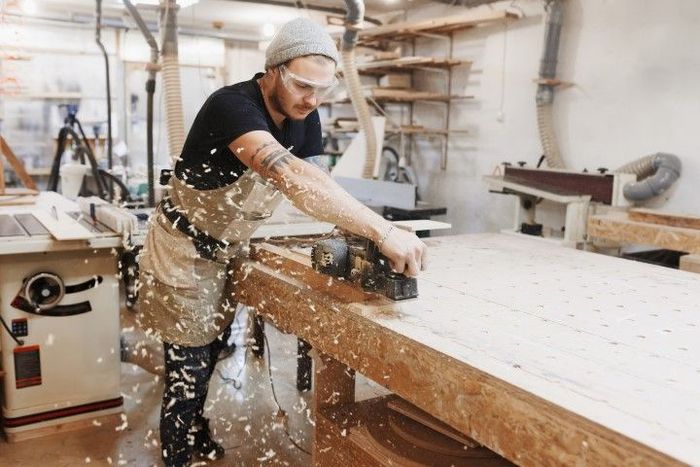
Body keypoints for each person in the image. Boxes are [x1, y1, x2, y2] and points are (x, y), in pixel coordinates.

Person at [137, 17, 427, 467]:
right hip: (183, 250)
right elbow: (291, 177)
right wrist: (382, 231)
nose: (311, 101)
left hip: (228, 248)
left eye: (321, 91)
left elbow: (318, 183)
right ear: (272, 70)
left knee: (213, 350)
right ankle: (177, 453)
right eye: (302, 86)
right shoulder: (232, 106)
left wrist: (358, 232)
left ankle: (197, 429)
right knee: (186, 369)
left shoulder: (303, 115)